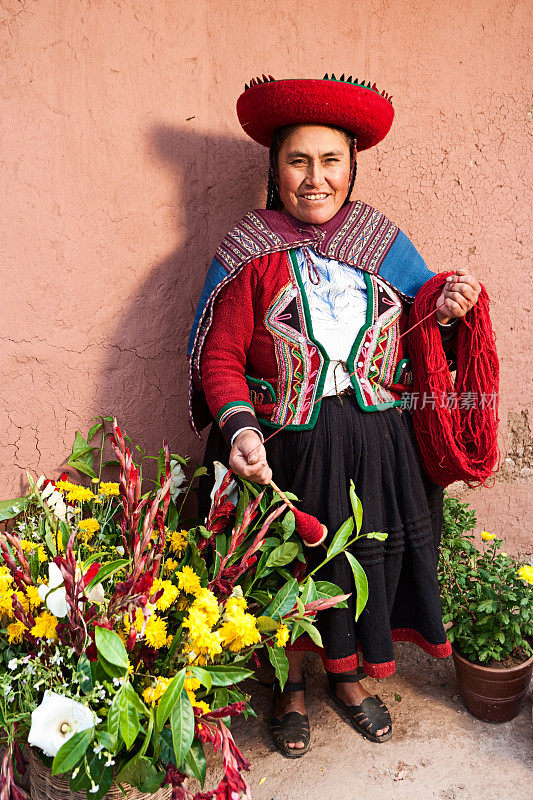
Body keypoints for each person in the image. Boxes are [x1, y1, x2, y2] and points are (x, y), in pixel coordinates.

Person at [187, 74, 498, 756]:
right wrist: (239, 429)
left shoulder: (382, 246)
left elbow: (423, 336)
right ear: (275, 168)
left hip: (379, 445)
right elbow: (221, 358)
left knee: (365, 563)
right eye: (298, 161)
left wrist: (444, 309)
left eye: (330, 162)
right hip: (281, 449)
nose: (314, 178)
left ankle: (349, 678)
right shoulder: (251, 253)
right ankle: (289, 688)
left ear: (350, 169)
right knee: (289, 571)